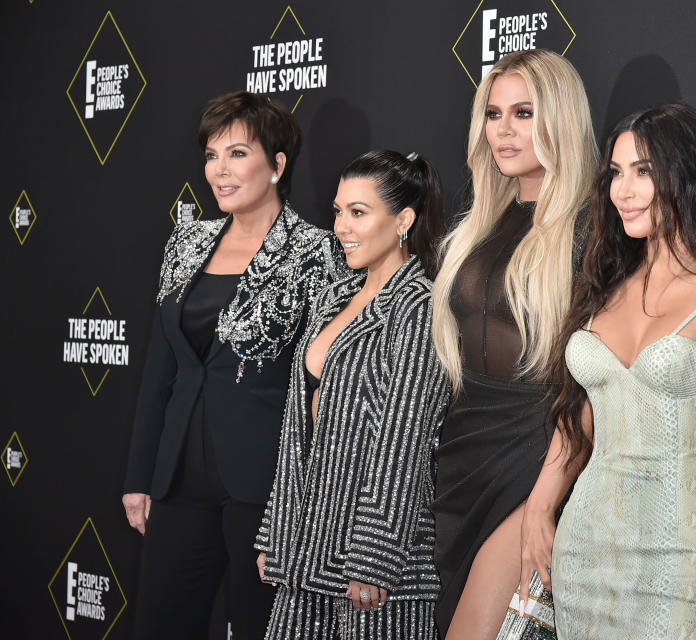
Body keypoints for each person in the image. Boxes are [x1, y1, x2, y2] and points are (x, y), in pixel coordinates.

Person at [519, 103, 696, 640]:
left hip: (689, 557)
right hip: (586, 552)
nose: (623, 190)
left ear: (689, 174)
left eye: (643, 171)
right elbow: (580, 420)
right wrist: (539, 506)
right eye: (616, 173)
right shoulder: (606, 287)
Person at [121, 90, 349, 639]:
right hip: (178, 478)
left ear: (277, 164)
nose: (219, 171)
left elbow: (320, 380)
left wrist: (307, 498)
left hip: (266, 483)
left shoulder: (318, 252)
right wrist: (140, 476)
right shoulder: (186, 241)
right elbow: (162, 368)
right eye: (211, 156)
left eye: (237, 154)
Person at [430, 49, 598, 639]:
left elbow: (593, 382)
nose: (503, 130)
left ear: (560, 119)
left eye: (523, 113)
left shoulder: (592, 230)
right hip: (461, 454)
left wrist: (547, 496)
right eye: (494, 114)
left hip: (535, 452)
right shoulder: (480, 225)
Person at [256, 150, 450, 639]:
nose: (341, 226)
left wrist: (375, 558)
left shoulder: (419, 309)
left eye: (359, 212)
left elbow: (403, 440)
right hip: (307, 549)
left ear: (403, 220)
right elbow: (296, 431)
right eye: (338, 210)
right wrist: (276, 533)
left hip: (373, 571)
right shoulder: (334, 297)